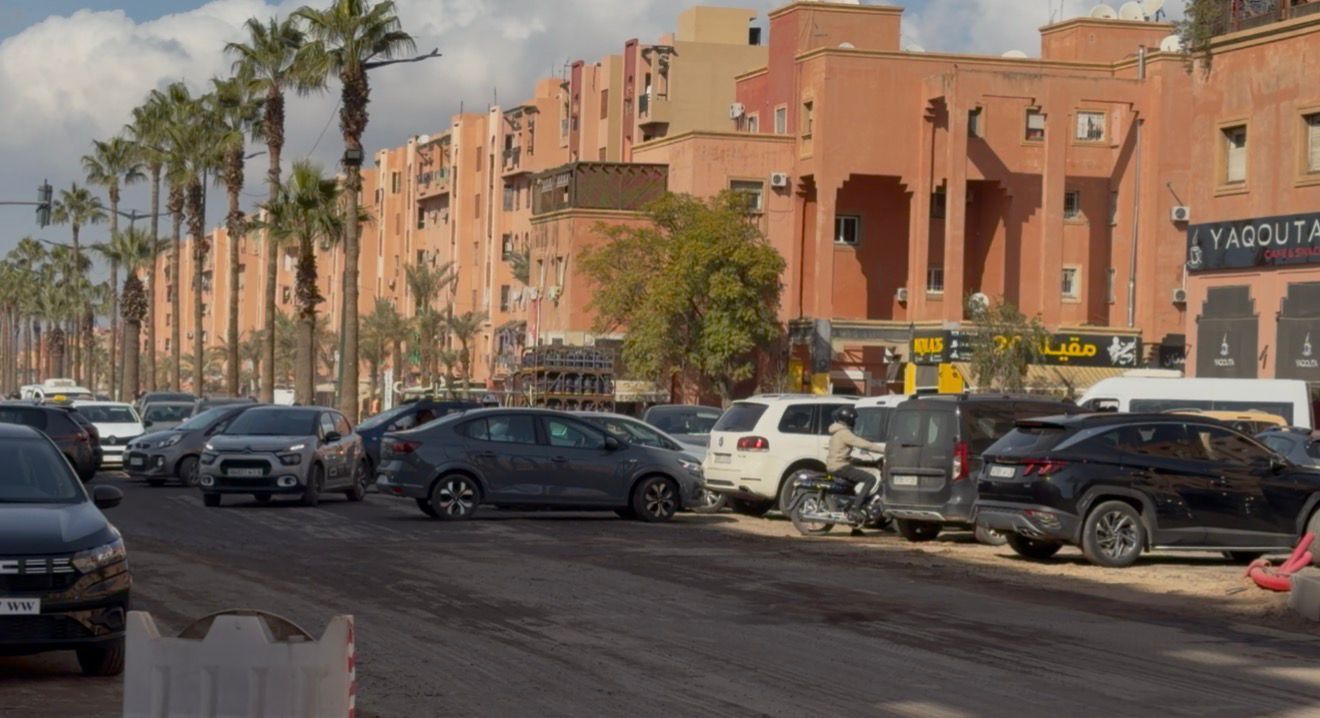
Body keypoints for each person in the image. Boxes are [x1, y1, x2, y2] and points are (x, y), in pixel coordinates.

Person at [825, 407, 884, 523]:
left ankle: (855, 522)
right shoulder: (844, 433)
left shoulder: (837, 432)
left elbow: (840, 452)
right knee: (870, 479)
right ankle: (855, 508)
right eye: (854, 420)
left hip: (836, 465)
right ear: (848, 419)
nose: (855, 422)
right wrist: (884, 450)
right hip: (840, 467)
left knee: (854, 487)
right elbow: (863, 444)